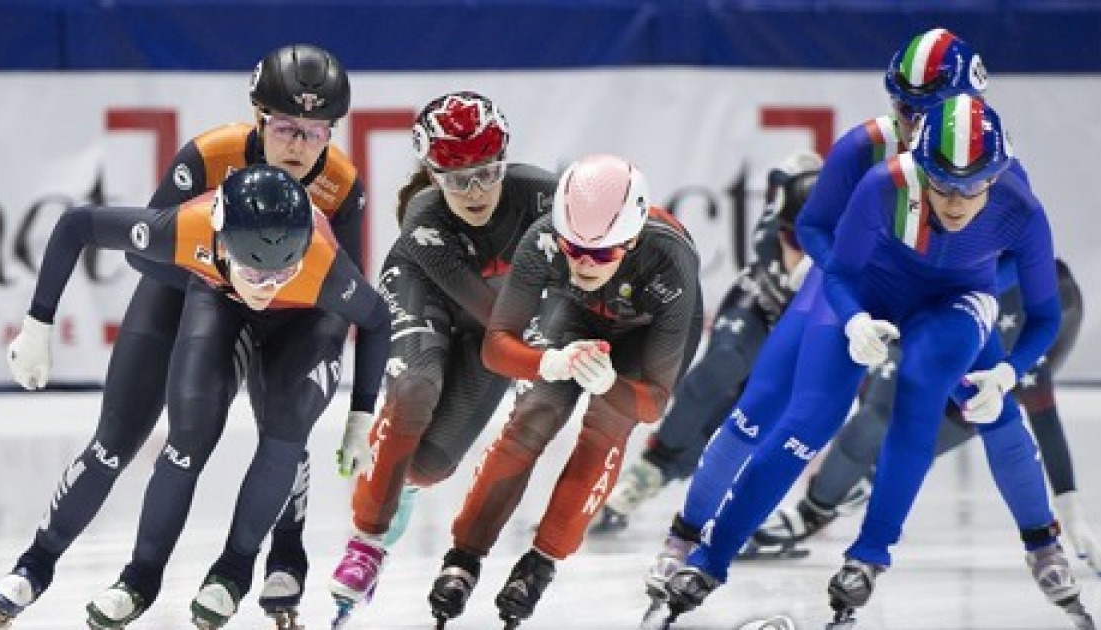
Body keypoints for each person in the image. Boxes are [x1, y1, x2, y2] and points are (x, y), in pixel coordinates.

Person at [652, 96, 1094, 630]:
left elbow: (1045, 316)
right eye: (944, 185)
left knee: (921, 391)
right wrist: (856, 320)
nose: (956, 202)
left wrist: (1007, 372)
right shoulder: (882, 180)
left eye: (972, 186)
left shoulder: (1019, 206)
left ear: (996, 176)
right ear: (921, 166)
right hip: (870, 290)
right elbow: (836, 270)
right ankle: (708, 556)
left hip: (954, 301)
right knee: (807, 420)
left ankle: (873, 553)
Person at [0, 43, 363, 630]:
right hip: (196, 286)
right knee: (118, 440)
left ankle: (284, 551)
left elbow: (345, 290)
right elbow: (146, 254)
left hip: (291, 305)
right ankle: (38, 564)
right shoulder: (211, 156)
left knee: (286, 420)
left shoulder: (340, 182)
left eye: (317, 130)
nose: (299, 144)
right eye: (286, 126)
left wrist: (352, 401)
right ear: (258, 117)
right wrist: (39, 322)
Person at [637, 27, 988, 607]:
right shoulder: (863, 146)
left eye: (919, 108)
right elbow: (813, 227)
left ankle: (853, 533)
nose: (904, 117)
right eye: (898, 102)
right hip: (839, 294)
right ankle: (685, 537)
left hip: (914, 297)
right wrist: (838, 281)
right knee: (761, 415)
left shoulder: (987, 161)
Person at [423, 154, 704, 629]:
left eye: (600, 254)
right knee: (533, 414)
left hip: (647, 329)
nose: (583, 262)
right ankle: (463, 556)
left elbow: (652, 403)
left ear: (631, 240)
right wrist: (545, 362)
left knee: (607, 427)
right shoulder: (544, 241)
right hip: (575, 312)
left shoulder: (670, 266)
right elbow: (496, 347)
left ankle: (541, 561)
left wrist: (611, 382)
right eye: (573, 248)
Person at [325, 91, 559, 627]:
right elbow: (493, 314)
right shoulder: (423, 216)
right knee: (415, 391)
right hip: (426, 292)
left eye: (487, 172)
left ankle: (398, 469)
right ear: (432, 175)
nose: (475, 190)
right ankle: (366, 545)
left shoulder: (545, 197)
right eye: (457, 179)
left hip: (488, 325)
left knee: (430, 466)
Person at [748, 256, 1101, 577]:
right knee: (874, 418)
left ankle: (866, 480)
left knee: (943, 426)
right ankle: (816, 509)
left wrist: (1069, 510)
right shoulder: (948, 287)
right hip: (951, 311)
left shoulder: (1022, 340)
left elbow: (1045, 424)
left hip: (1004, 347)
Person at [589, 150, 822, 534]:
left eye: (811, 241)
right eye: (791, 235)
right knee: (716, 371)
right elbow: (787, 175)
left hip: (802, 333)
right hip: (760, 302)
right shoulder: (776, 223)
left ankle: (671, 479)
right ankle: (647, 472)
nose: (797, 249)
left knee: (739, 418)